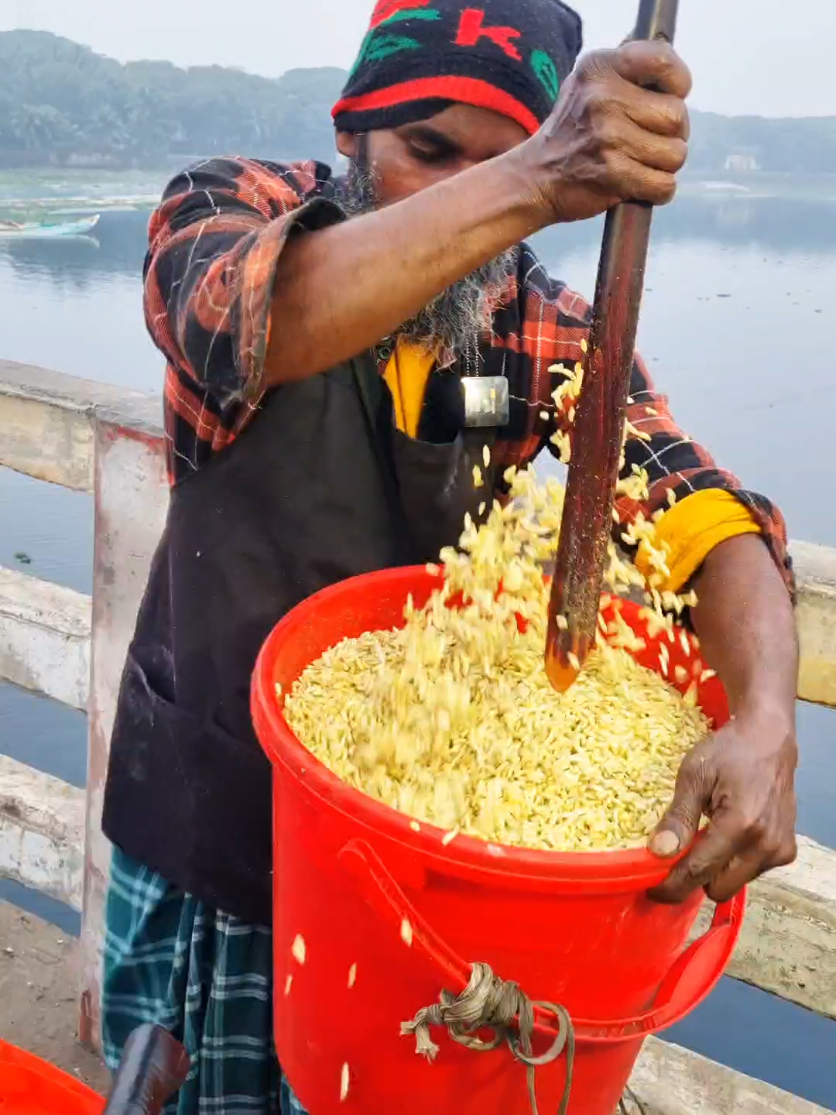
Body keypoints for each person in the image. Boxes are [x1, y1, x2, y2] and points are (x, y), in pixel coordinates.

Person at [99, 1, 799, 1111]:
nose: (460, 199)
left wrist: (763, 716)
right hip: (210, 813)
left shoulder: (535, 326)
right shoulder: (229, 208)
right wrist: (531, 174)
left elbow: (698, 508)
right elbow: (244, 321)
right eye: (427, 152)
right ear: (353, 131)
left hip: (403, 875)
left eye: (501, 160)